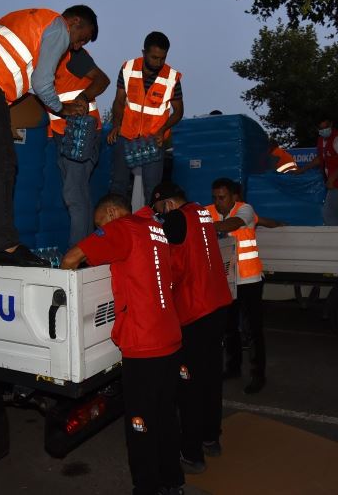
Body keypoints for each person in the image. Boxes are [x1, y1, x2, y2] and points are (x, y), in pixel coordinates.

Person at [0, 6, 98, 266]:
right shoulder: (58, 26)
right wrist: (62, 108)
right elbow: (42, 83)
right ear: (75, 21)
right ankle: (7, 247)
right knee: (2, 163)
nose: (77, 46)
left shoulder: (17, 19)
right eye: (82, 37)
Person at [61, 194, 184, 495]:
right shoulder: (155, 228)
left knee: (141, 424)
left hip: (143, 344)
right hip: (169, 336)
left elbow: (72, 258)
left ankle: (146, 487)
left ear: (112, 212)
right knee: (166, 416)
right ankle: (173, 482)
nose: (100, 228)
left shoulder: (122, 227)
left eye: (99, 223)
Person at [147, 181, 233, 475]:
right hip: (218, 305)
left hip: (195, 312)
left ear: (167, 204)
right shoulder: (202, 214)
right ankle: (211, 438)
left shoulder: (174, 219)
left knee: (189, 386)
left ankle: (191, 452)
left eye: (159, 210)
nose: (160, 216)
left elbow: (159, 256)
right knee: (210, 378)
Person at [108, 32, 184, 204]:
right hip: (126, 135)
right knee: (118, 187)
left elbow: (178, 111)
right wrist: (116, 125)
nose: (158, 62)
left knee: (153, 191)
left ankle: (152, 228)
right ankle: (117, 228)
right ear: (144, 53)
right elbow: (119, 100)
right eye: (154, 57)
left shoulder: (172, 77)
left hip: (153, 140)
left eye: (163, 58)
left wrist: (162, 131)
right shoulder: (128, 68)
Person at [44, 49, 110, 247]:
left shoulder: (71, 55)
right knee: (79, 194)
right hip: (61, 133)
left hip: (79, 134)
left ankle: (76, 258)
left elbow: (102, 80)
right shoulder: (46, 58)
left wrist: (83, 96)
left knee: (74, 196)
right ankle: (86, 252)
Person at [206, 178, 267, 394]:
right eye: (214, 197)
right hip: (227, 282)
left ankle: (258, 375)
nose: (217, 202)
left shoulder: (245, 210)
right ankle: (233, 368)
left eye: (221, 197)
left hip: (249, 281)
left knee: (253, 331)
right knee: (229, 329)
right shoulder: (209, 212)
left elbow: (232, 224)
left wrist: (205, 227)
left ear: (234, 197)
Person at [294, 116, 338, 225]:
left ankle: (336, 238)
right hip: (337, 183)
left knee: (328, 213)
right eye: (321, 129)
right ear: (317, 129)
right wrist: (301, 170)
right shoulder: (321, 140)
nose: (324, 130)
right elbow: (320, 159)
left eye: (326, 127)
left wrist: (332, 178)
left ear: (331, 124)